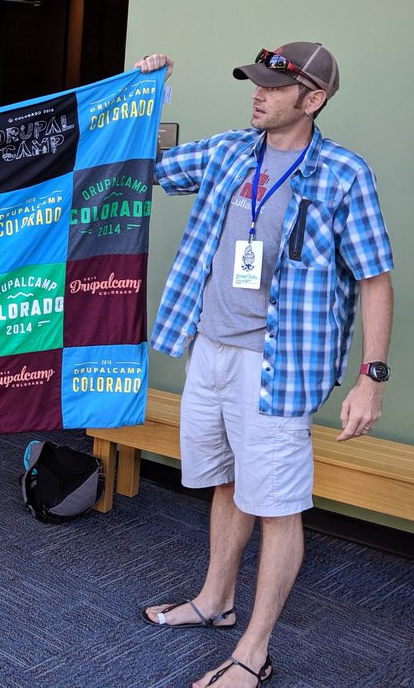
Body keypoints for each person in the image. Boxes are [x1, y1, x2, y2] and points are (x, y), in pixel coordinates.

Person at [135, 44, 393, 688]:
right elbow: (142, 168)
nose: (258, 94)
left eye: (275, 87)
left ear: (313, 100)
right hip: (210, 351)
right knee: (227, 483)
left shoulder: (342, 174)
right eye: (256, 83)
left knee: (276, 505)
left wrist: (372, 377)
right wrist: (146, 95)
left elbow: (376, 280)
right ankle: (216, 603)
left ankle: (254, 649)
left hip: (279, 365)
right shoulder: (228, 152)